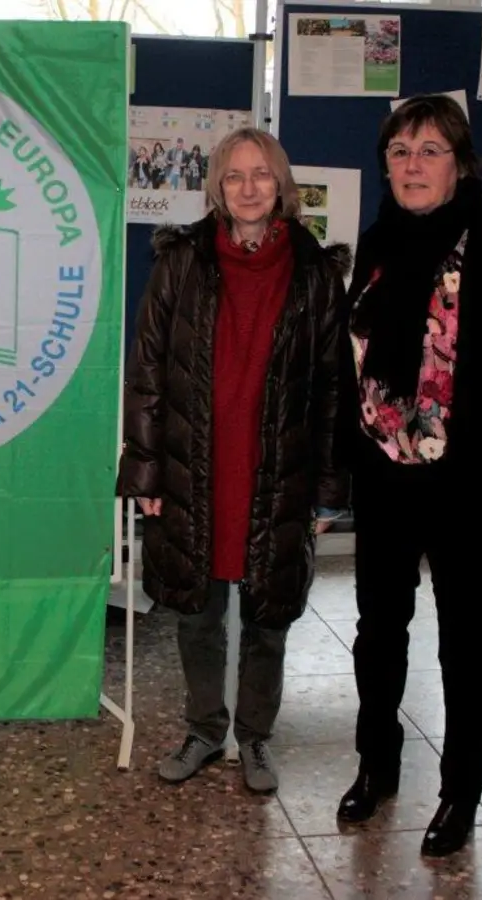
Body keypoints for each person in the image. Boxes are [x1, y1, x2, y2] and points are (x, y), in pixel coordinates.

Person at [118, 127, 350, 795]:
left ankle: (255, 737)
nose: (249, 187)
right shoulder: (181, 263)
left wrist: (328, 490)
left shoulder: (314, 273)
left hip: (279, 473)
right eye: (234, 175)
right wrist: (146, 472)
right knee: (197, 614)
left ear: (281, 185)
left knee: (268, 618)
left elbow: (334, 388)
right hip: (194, 469)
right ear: (218, 188)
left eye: (262, 173)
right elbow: (148, 375)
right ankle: (202, 730)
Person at [334, 95, 482, 858]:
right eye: (400, 151)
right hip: (383, 477)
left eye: (430, 150)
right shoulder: (375, 245)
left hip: (469, 481)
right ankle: (376, 764)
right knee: (378, 632)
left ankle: (460, 791)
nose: (413, 165)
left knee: (464, 641)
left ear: (462, 165)